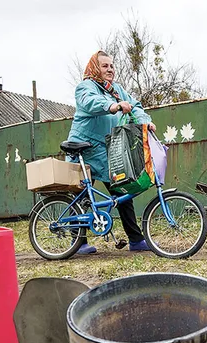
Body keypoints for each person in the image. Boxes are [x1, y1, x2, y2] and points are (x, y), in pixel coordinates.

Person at [66, 50, 156, 255]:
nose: (110, 69)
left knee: (122, 189)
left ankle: (135, 239)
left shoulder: (116, 90)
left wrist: (146, 122)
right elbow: (90, 102)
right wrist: (113, 106)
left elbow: (135, 106)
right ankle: (78, 243)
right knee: (80, 194)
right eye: (105, 66)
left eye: (112, 66)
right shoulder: (85, 87)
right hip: (84, 147)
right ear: (95, 68)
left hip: (106, 148)